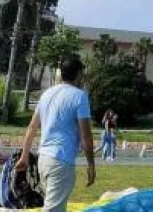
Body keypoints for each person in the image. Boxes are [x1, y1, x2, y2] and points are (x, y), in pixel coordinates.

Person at [16, 56, 95, 212]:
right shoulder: (79, 96)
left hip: (43, 159)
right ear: (79, 74)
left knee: (54, 207)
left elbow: (32, 127)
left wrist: (24, 156)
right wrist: (91, 164)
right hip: (61, 161)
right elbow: (85, 135)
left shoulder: (47, 94)